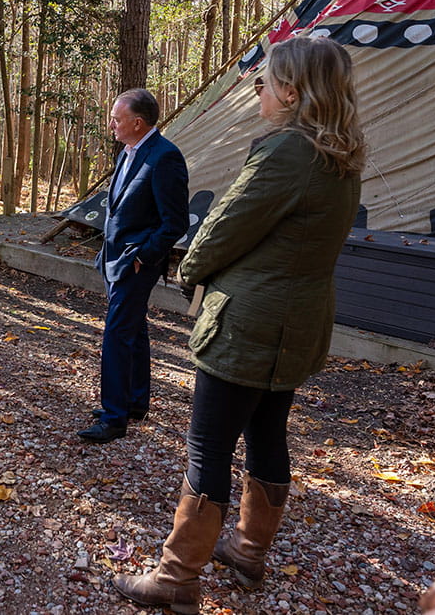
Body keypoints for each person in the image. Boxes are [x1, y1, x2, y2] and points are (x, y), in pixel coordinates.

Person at [114, 36, 365, 613]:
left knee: (208, 446)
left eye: (265, 80)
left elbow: (222, 229)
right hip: (297, 325)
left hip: (248, 324)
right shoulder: (342, 155)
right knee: (268, 433)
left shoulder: (286, 152)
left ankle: (177, 577)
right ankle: (250, 550)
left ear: (292, 91)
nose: (258, 89)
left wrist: (190, 270)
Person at [77, 88, 189, 444]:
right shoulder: (127, 152)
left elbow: (175, 223)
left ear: (138, 123)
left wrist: (142, 257)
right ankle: (135, 402)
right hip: (113, 259)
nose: (111, 124)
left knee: (116, 336)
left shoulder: (165, 157)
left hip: (136, 264)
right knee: (134, 330)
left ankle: (113, 418)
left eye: (117, 118)